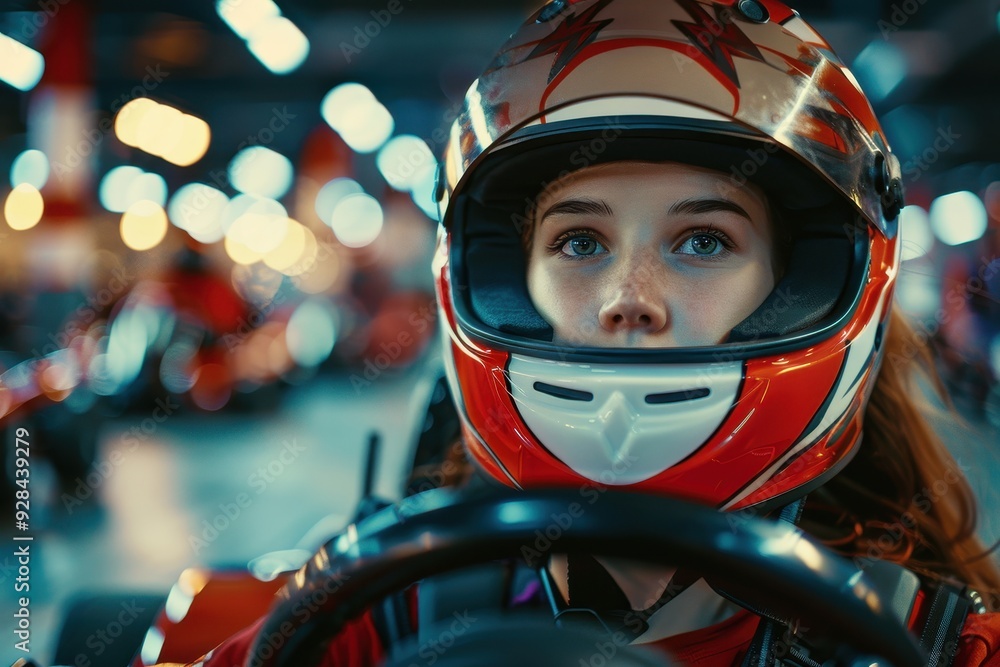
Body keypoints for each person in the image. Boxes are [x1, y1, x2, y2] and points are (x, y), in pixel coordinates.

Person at [182, 0, 1000, 665]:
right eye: (579, 242)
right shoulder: (375, 619)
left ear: (798, 284)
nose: (627, 300)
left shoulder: (943, 646)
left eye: (703, 241)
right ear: (508, 281)